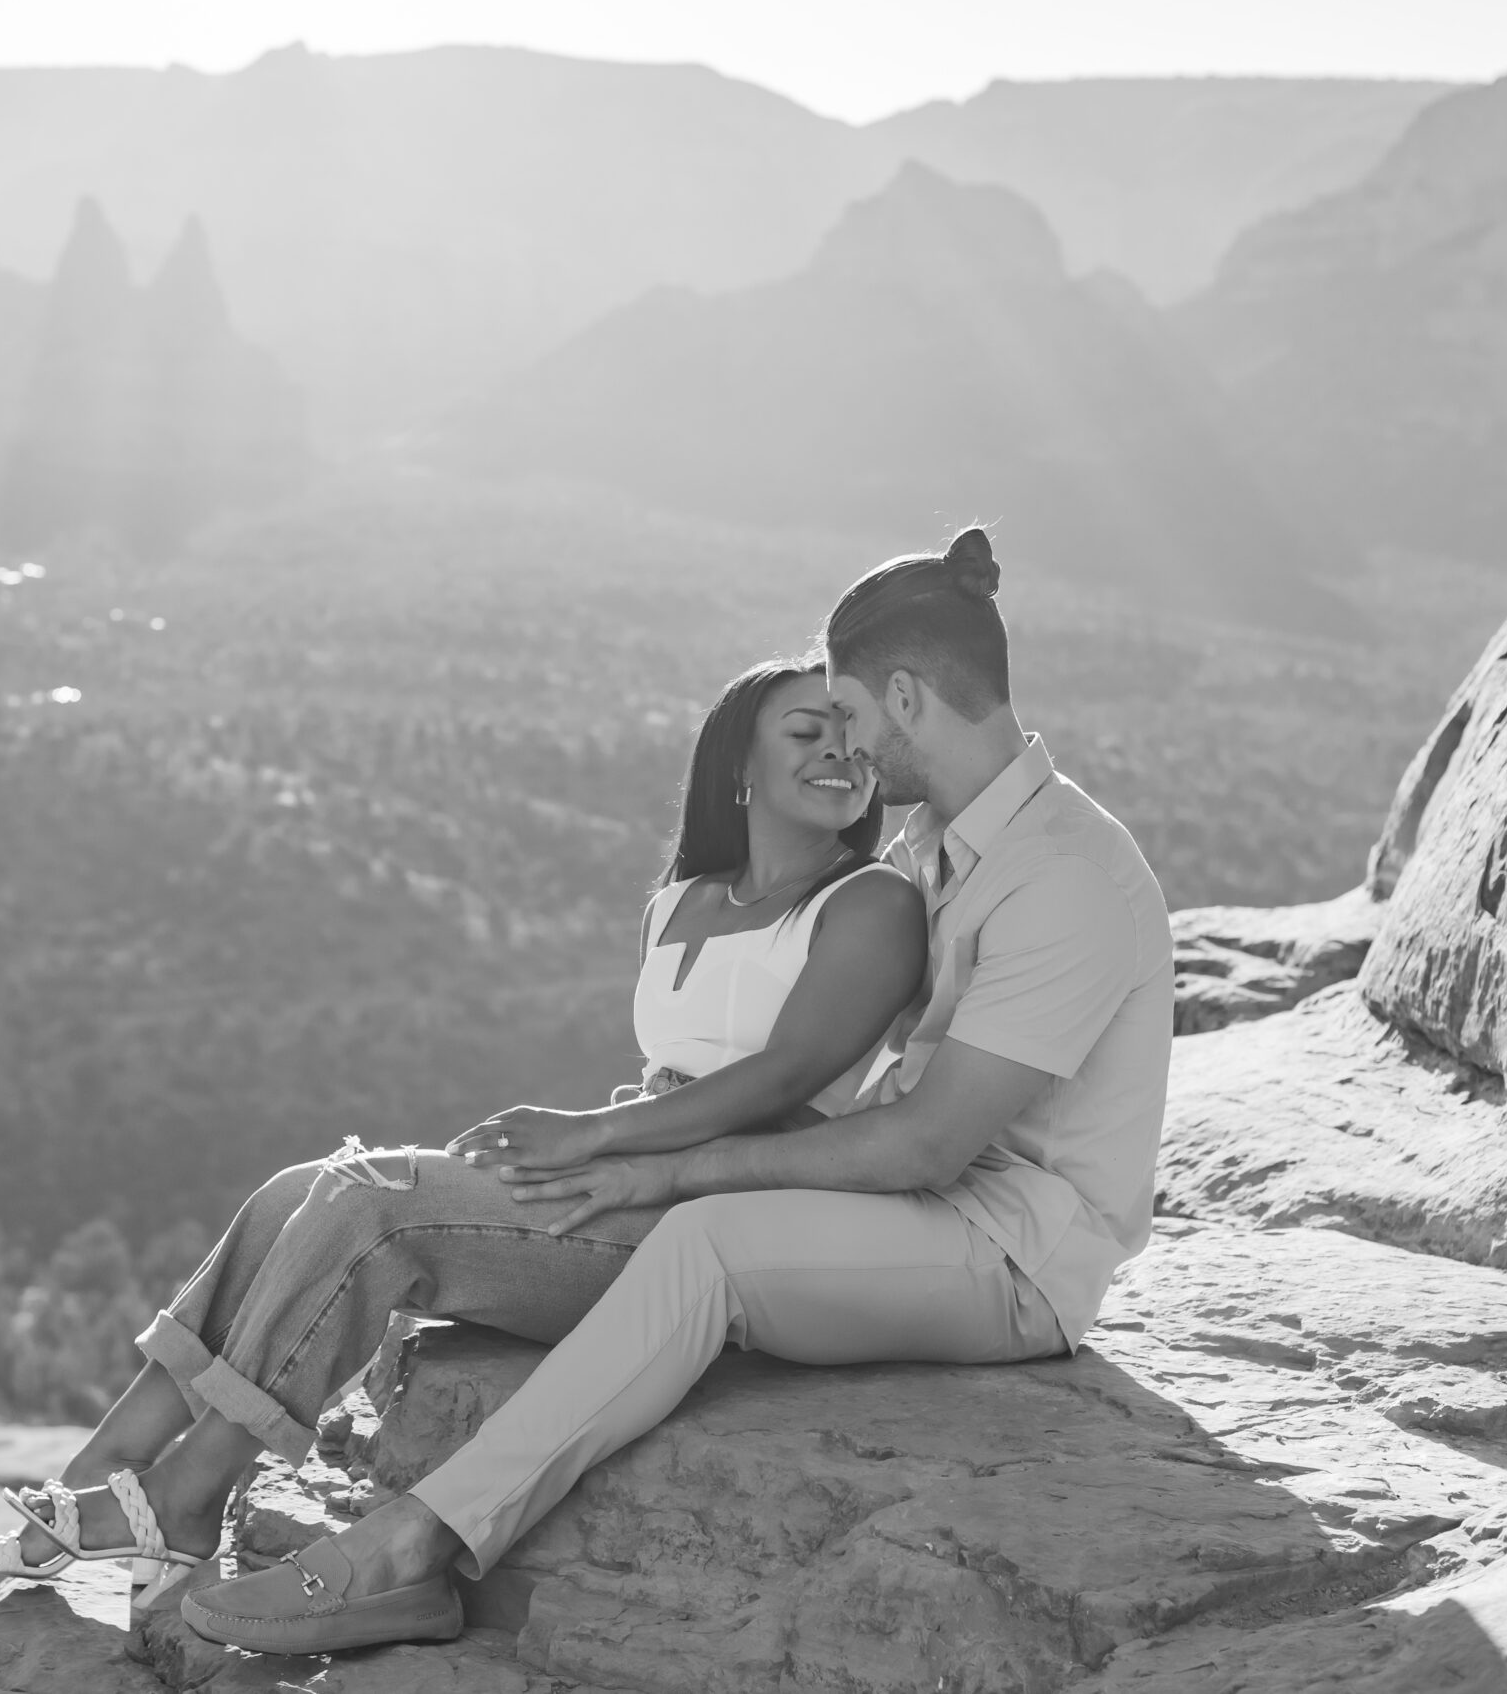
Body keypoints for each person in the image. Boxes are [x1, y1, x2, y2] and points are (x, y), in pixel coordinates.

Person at [175, 525, 1174, 1655]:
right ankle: (182, 1480)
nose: (841, 750)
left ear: (903, 697)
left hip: (1011, 1257)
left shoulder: (1065, 877)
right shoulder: (934, 848)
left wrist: (667, 1166)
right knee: (580, 1213)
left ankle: (411, 1551)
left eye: (845, 715)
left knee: (702, 1244)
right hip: (909, 1212)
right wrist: (619, 1142)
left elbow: (925, 1150)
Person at [0, 655, 928, 1606]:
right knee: (297, 1189)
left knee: (372, 1208)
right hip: (629, 1174)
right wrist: (594, 1142)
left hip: (719, 1226)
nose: (840, 753)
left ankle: (184, 1495)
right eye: (808, 731)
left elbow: (786, 1075)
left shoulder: (871, 902)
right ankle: (110, 1459)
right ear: (738, 766)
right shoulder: (681, 901)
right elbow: (673, 1074)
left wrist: (591, 1136)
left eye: (854, 739)